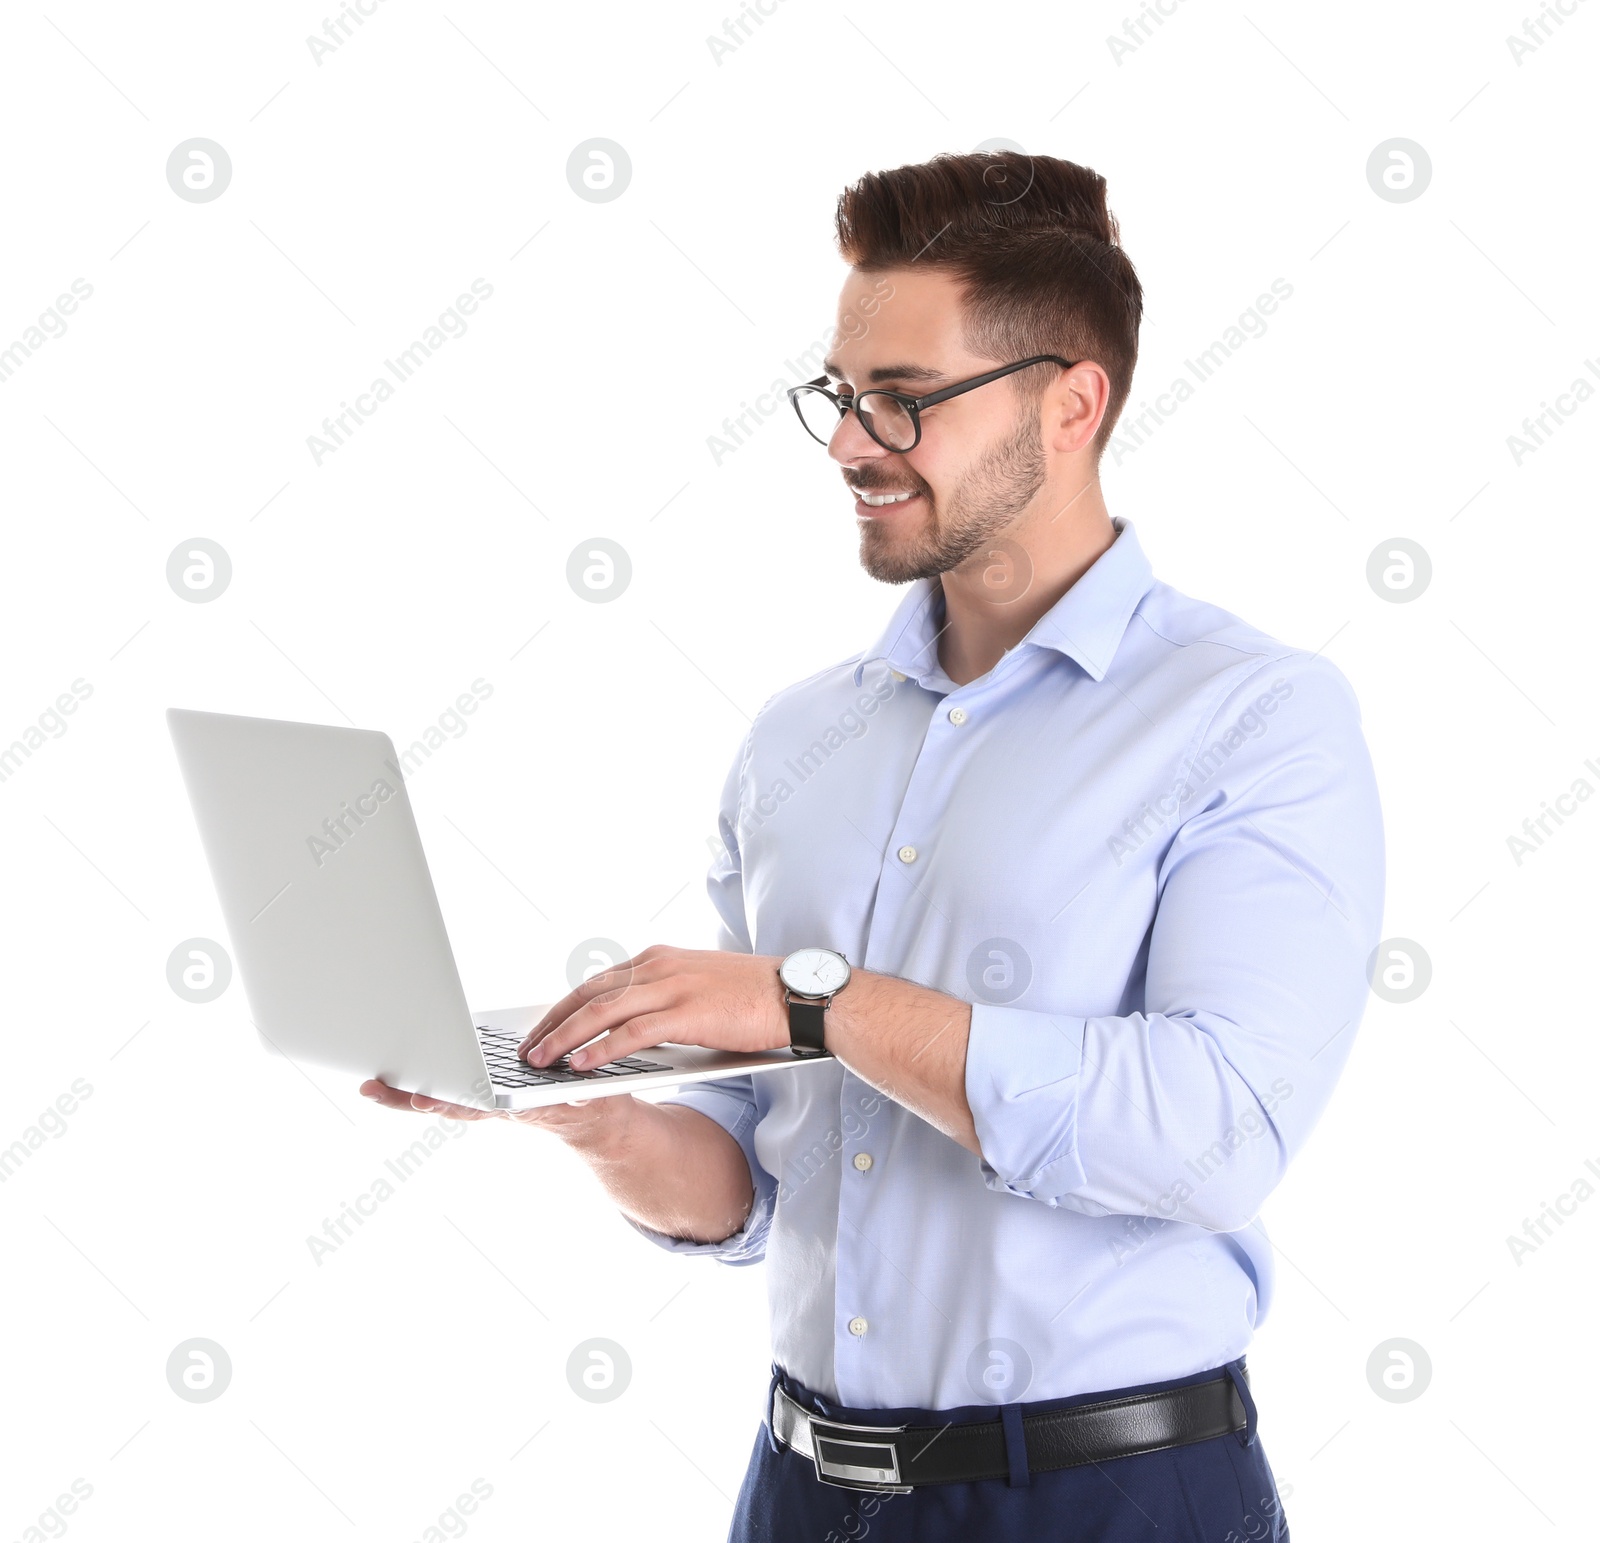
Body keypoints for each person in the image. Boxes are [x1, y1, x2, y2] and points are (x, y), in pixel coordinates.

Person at [365, 150, 1383, 1542]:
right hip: (799, 1492)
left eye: (905, 402)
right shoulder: (799, 743)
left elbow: (1210, 1138)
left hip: (1108, 1502)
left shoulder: (1253, 717)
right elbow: (755, 1176)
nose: (852, 444)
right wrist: (599, 1121)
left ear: (1072, 401)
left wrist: (814, 1004)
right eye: (844, 398)